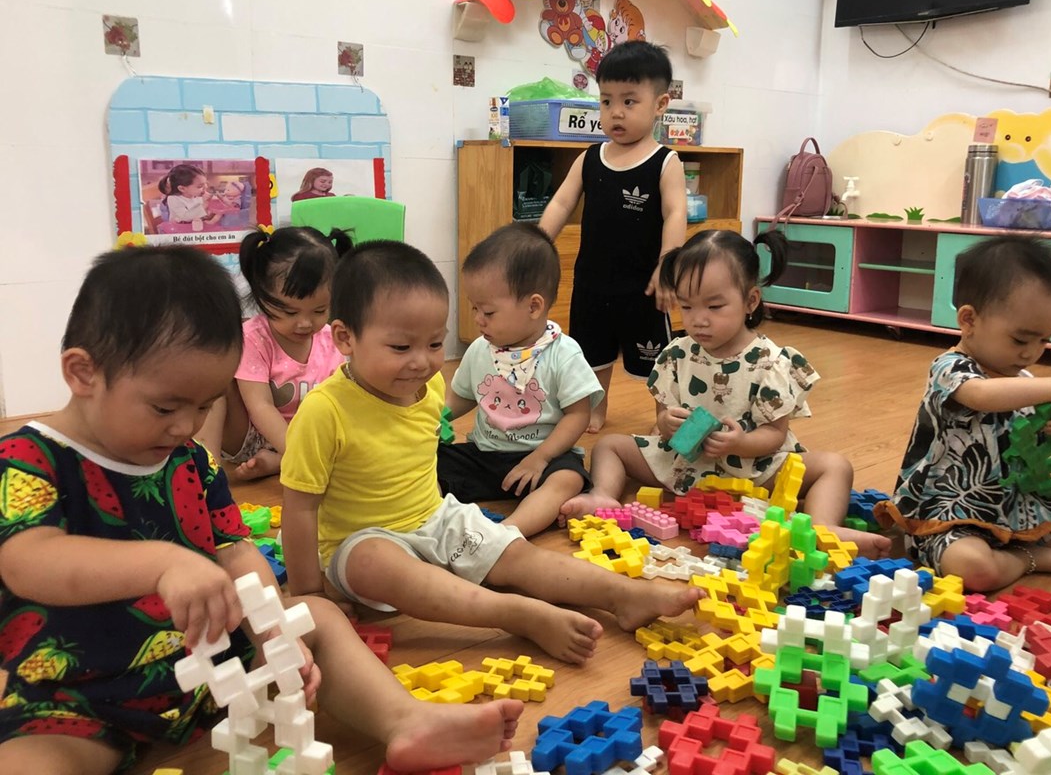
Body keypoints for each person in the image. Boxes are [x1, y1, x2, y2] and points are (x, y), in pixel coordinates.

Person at [0, 245, 522, 775]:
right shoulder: (27, 459)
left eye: (204, 406)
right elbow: (28, 561)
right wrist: (164, 565)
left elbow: (234, 548)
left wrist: (274, 630)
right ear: (83, 373)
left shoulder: (188, 459)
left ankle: (405, 721)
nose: (185, 426)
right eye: (165, 407)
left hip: (212, 666)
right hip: (83, 701)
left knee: (316, 615)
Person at [280, 240, 704, 665]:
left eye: (435, 344)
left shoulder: (428, 386)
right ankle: (514, 613)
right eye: (401, 348)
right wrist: (310, 593)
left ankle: (624, 595)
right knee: (374, 562)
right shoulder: (324, 411)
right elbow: (299, 509)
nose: (423, 362)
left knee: (517, 554)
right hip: (361, 542)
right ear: (345, 337)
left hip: (437, 518)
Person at [569, 229, 891, 559]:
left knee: (835, 466)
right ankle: (603, 495)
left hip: (754, 469)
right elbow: (662, 419)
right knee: (609, 445)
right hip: (685, 467)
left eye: (715, 306)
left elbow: (775, 434)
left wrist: (740, 443)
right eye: (687, 306)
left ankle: (823, 527)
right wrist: (667, 424)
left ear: (751, 301)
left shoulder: (770, 362)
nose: (699, 320)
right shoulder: (677, 355)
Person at [875, 235, 1051, 591]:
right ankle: (1027, 558)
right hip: (951, 513)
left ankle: (1018, 545)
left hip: (1019, 506)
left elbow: (1045, 428)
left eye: (1045, 340)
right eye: (1021, 340)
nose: (1031, 353)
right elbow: (981, 396)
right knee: (974, 570)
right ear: (969, 320)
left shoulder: (1023, 381)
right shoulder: (950, 369)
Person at [539, 40, 687, 434]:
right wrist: (537, 243)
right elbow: (561, 203)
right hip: (592, 283)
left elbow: (675, 214)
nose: (615, 112)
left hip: (643, 287)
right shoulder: (590, 157)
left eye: (629, 101)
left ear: (660, 104)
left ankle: (665, 416)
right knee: (591, 355)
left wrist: (668, 264)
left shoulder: (665, 161)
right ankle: (595, 408)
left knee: (658, 360)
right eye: (606, 101)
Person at [439, 223, 603, 537]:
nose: (477, 319)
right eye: (475, 308)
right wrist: (436, 417)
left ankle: (506, 534)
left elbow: (578, 415)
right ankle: (437, 520)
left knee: (569, 478)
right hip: (485, 455)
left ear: (533, 306)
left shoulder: (564, 353)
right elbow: (462, 397)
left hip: (544, 456)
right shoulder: (479, 350)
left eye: (488, 312)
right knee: (427, 460)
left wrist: (541, 458)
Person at [199, 226, 351, 482]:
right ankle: (207, 472)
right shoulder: (253, 337)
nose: (304, 323)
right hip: (251, 435)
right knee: (215, 383)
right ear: (262, 296)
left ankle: (278, 462)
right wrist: (298, 455)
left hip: (311, 438)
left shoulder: (331, 339)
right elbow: (260, 406)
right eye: (290, 312)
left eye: (319, 311)